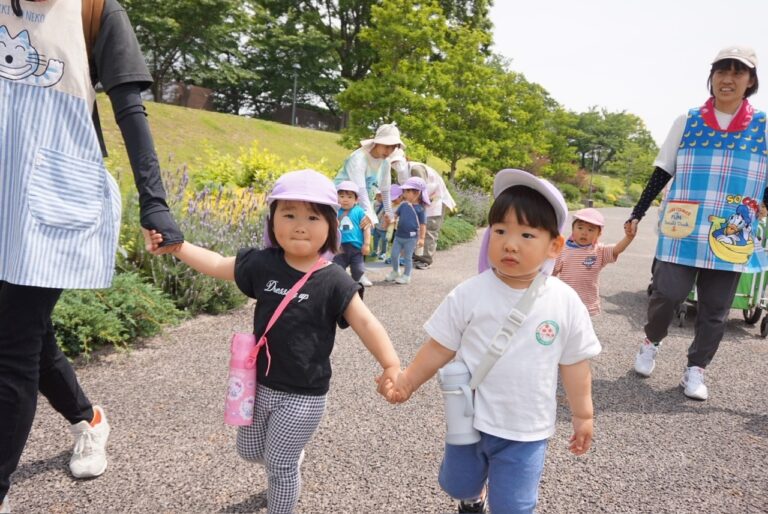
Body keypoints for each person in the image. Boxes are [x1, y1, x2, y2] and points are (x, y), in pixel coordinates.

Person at [0, 1, 183, 511]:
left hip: (47, 198)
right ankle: (89, 419)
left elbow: (130, 108)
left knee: (11, 348)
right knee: (26, 335)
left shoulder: (95, 10)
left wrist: (155, 202)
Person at [147, 169, 400, 514]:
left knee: (279, 466)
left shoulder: (335, 280)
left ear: (330, 226)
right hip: (258, 382)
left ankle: (283, 494)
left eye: (312, 217)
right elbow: (218, 263)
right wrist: (177, 247)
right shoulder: (263, 264)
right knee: (249, 451)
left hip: (304, 393)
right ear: (272, 221)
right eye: (289, 214)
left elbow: (366, 323)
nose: (300, 225)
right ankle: (289, 458)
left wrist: (391, 364)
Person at [383, 169, 600, 513]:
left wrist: (582, 414)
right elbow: (440, 345)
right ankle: (472, 498)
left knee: (514, 505)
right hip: (467, 415)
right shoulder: (470, 293)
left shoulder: (564, 300)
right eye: (500, 231)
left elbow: (575, 362)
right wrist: (407, 381)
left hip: (526, 429)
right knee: (457, 484)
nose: (510, 243)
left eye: (527, 234)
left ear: (555, 246)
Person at [626, 45, 768, 401]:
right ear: (712, 77)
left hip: (731, 234)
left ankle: (696, 369)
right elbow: (663, 170)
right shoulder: (687, 120)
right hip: (683, 227)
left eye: (738, 72)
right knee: (667, 294)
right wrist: (637, 212)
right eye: (722, 71)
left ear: (750, 81)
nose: (728, 78)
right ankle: (651, 341)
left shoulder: (764, 127)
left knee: (716, 310)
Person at [553, 208, 635, 315]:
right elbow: (550, 273)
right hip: (565, 301)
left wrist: (628, 237)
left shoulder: (599, 251)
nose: (584, 233)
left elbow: (616, 249)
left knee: (582, 330)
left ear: (598, 234)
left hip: (586, 302)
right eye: (580, 227)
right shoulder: (563, 250)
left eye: (590, 230)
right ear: (573, 229)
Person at [390, 150, 456, 269]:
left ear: (404, 158)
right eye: (392, 162)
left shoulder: (415, 169)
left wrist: (414, 204)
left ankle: (425, 259)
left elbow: (422, 189)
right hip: (417, 201)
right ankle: (415, 256)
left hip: (434, 199)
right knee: (416, 227)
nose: (395, 164)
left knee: (429, 228)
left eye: (397, 161)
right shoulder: (400, 173)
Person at [334, 123, 404, 229]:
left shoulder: (385, 163)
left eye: (393, 147)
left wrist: (388, 212)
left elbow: (385, 189)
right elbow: (360, 189)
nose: (389, 151)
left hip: (361, 209)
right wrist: (368, 212)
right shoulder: (358, 158)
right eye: (386, 146)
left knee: (361, 242)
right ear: (377, 142)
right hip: (341, 205)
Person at [385, 177, 428, 285]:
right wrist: (390, 219)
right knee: (394, 255)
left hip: (411, 238)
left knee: (407, 257)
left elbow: (423, 225)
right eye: (404, 191)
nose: (404, 193)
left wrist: (422, 238)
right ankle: (395, 271)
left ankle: (407, 276)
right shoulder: (403, 205)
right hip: (399, 236)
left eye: (408, 191)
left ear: (417, 193)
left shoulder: (420, 209)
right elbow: (395, 216)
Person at [333, 181, 373, 286]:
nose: (345, 199)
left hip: (356, 247)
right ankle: (342, 281)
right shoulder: (334, 212)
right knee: (338, 267)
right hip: (340, 247)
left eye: (350, 197)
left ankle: (359, 277)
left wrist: (367, 244)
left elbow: (366, 228)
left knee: (358, 268)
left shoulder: (359, 211)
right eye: (341, 196)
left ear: (356, 200)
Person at [371, 187, 389, 260]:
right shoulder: (375, 203)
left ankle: (383, 253)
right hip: (376, 226)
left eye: (380, 195)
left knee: (384, 241)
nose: (379, 197)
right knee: (375, 239)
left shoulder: (387, 204)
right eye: (377, 195)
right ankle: (376, 251)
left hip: (384, 227)